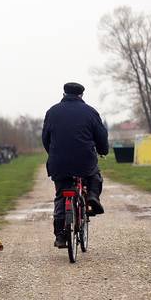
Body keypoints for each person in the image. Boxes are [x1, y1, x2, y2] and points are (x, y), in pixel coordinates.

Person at [41, 82, 109, 248]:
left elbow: (45, 138)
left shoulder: (52, 112)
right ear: (81, 95)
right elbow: (101, 137)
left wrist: (54, 154)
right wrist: (103, 150)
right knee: (94, 175)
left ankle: (61, 236)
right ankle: (92, 197)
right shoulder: (91, 112)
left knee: (61, 195)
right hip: (85, 160)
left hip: (59, 162)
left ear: (64, 94)